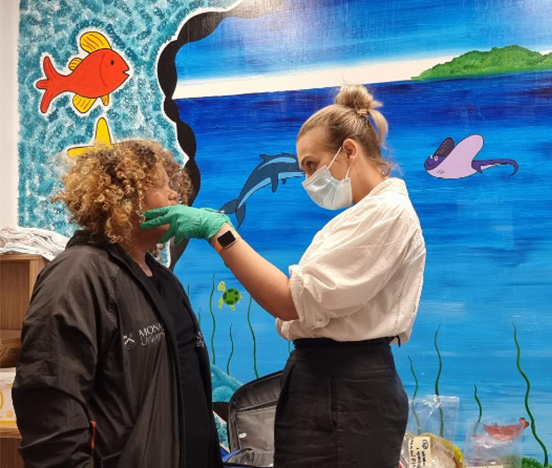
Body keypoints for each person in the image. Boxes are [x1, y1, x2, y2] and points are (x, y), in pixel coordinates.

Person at [141, 84, 426, 467]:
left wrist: (219, 232)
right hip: (325, 382)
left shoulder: (387, 214)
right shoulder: (359, 217)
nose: (307, 179)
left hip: (347, 389)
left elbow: (290, 301)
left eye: (311, 165)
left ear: (349, 151)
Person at [13, 140, 223, 468]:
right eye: (162, 186)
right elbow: (50, 405)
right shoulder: (77, 274)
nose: (174, 197)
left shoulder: (163, 279)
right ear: (122, 199)